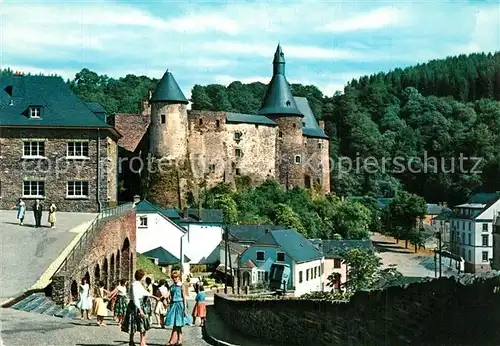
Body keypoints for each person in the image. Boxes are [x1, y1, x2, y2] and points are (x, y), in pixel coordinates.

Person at [121, 270, 159, 346]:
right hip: (136, 305)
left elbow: (144, 292)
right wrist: (140, 309)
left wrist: (154, 297)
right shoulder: (135, 285)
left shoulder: (138, 284)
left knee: (134, 323)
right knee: (140, 323)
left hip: (136, 305)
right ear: (141, 276)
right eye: (144, 276)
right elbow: (135, 297)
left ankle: (135, 341)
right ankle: (140, 342)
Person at [165, 270, 191, 346]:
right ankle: (179, 341)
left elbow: (184, 298)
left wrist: (185, 309)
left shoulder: (181, 286)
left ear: (179, 277)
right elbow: (167, 295)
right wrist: (160, 297)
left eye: (176, 277)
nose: (174, 279)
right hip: (173, 306)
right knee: (177, 324)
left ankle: (171, 341)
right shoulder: (172, 287)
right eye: (173, 277)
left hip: (180, 306)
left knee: (176, 324)